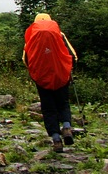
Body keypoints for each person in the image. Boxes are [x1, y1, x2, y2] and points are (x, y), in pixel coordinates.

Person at [22, 13, 78, 153]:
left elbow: (26, 59)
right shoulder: (60, 34)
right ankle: (66, 127)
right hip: (61, 76)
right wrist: (67, 69)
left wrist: (36, 74)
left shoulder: (31, 37)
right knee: (63, 103)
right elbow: (73, 55)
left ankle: (56, 140)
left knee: (48, 108)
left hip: (42, 79)